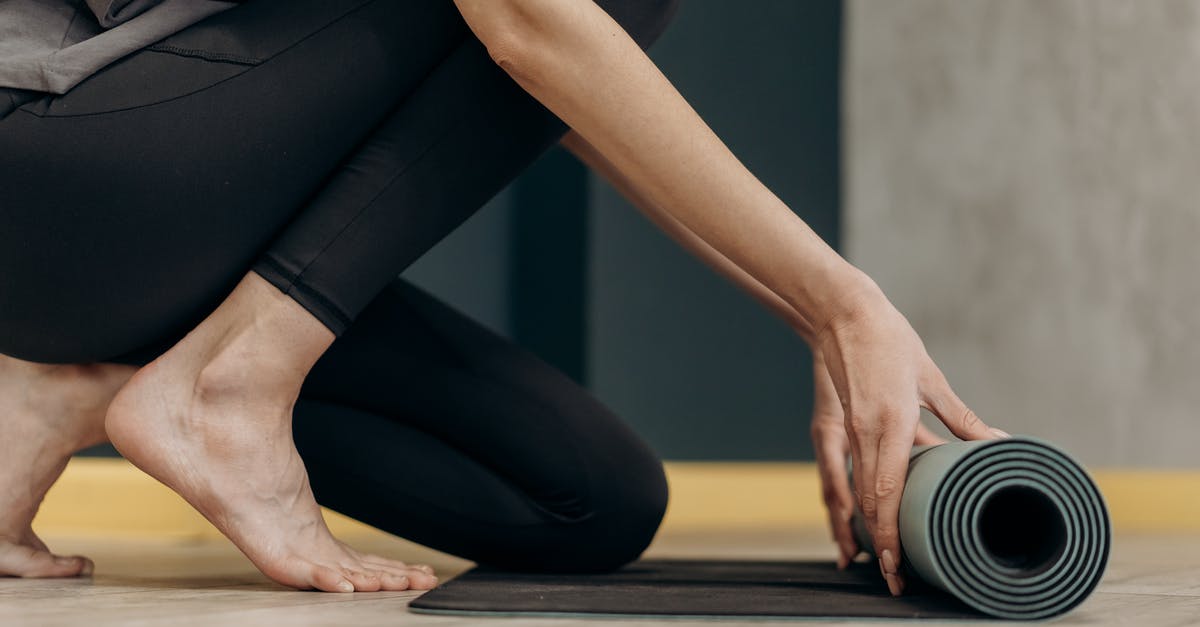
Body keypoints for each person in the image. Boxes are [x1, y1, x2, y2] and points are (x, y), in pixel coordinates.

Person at [0, 0, 1009, 595]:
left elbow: (548, 86)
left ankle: (68, 383)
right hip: (51, 165)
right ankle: (225, 386)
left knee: (587, 500)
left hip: (124, 210)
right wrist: (844, 302)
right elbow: (535, 29)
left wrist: (826, 330)